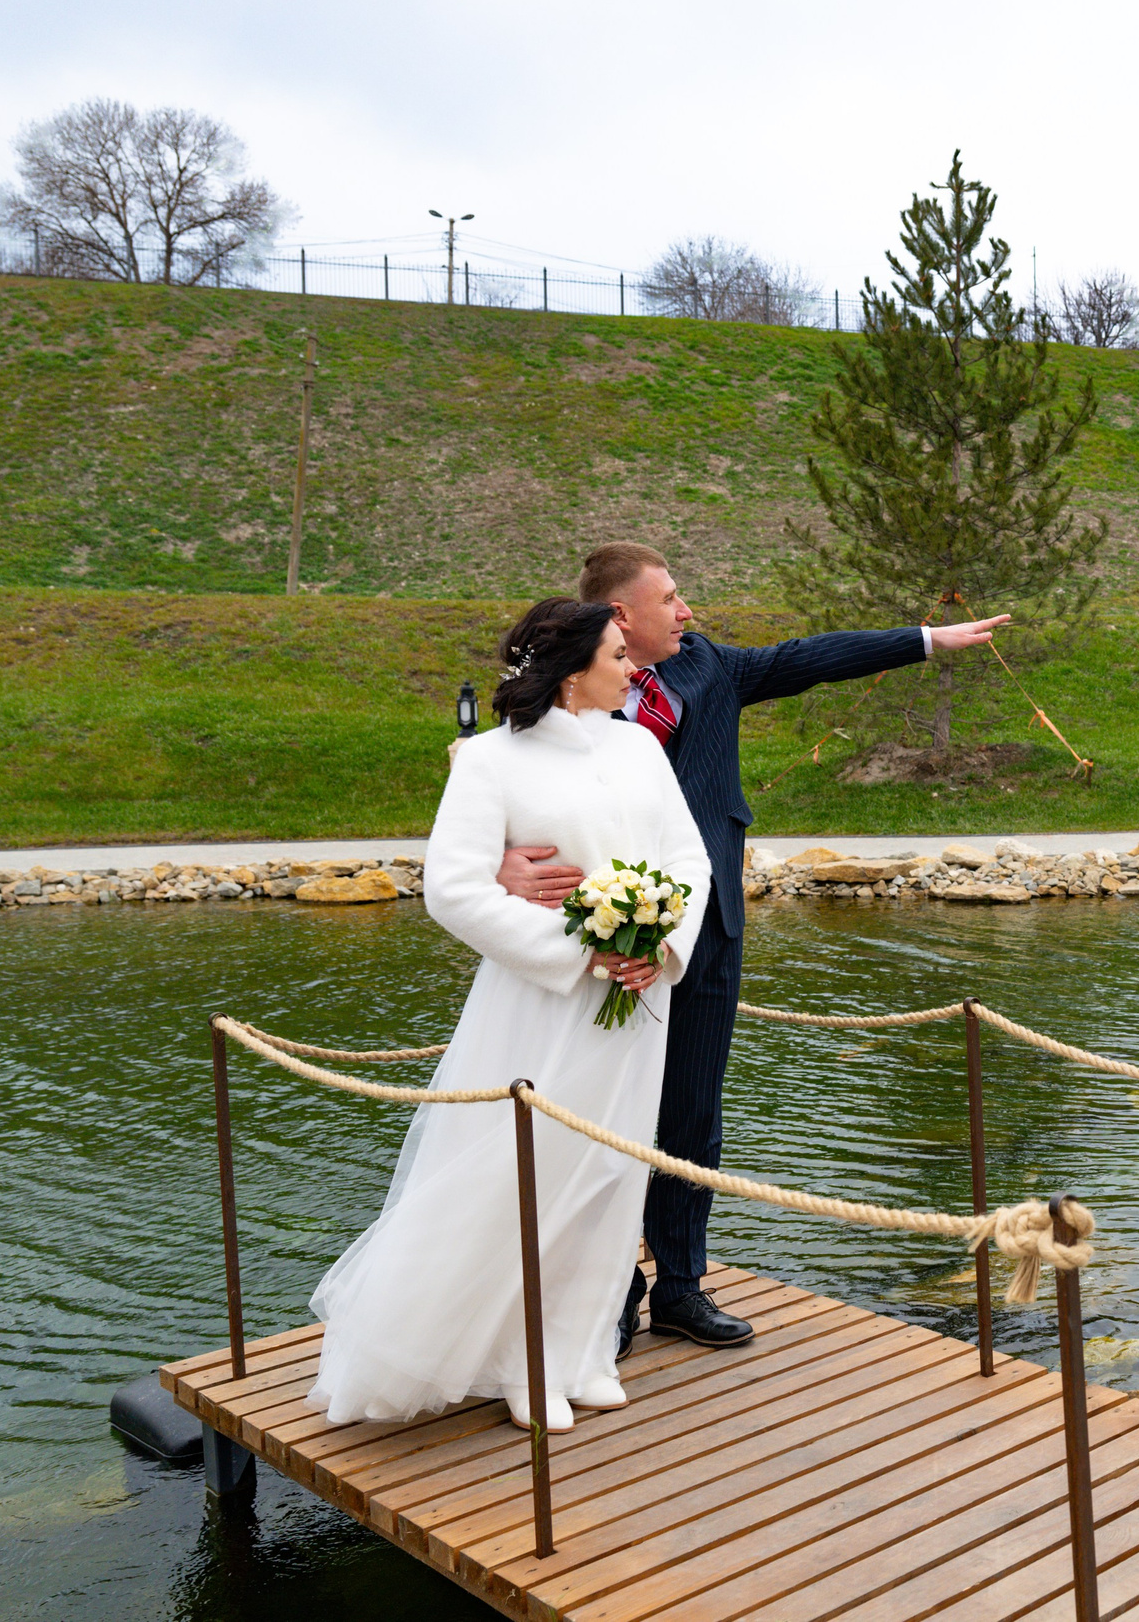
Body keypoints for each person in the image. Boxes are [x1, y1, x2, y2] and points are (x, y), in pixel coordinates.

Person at [496, 542, 1008, 1352]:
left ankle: (680, 1287)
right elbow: (503, 790)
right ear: (621, 615)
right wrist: (503, 860)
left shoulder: (709, 668)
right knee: (600, 1114)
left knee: (692, 1113)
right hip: (597, 942)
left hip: (708, 929)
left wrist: (925, 640)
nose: (687, 609)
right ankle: (608, 1292)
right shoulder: (570, 689)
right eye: (670, 598)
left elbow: (810, 658)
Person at [306, 598, 711, 1430]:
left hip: (638, 1004)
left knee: (608, 1176)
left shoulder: (640, 744)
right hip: (538, 1006)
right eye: (615, 655)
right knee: (531, 1177)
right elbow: (450, 889)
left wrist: (657, 943)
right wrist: (580, 950)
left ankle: (583, 1349)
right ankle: (518, 1362)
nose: (632, 667)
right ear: (572, 672)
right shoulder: (490, 763)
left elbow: (688, 858)